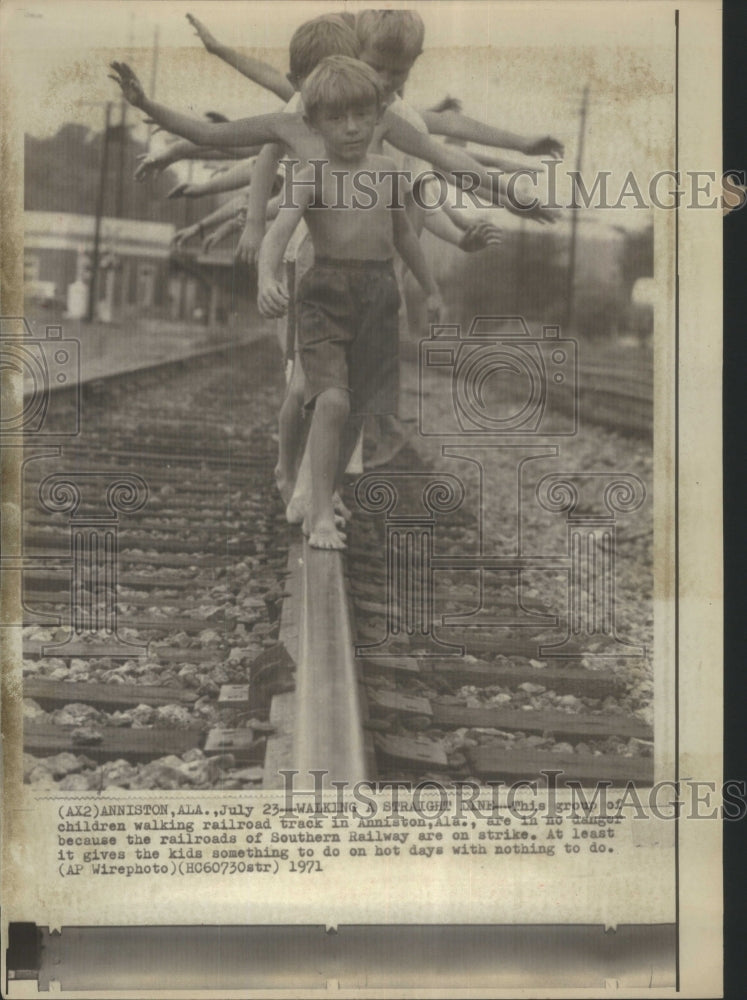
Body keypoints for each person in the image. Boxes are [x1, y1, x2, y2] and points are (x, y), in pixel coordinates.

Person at [257, 56, 444, 550]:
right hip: (325, 294)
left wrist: (430, 288)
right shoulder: (309, 173)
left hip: (378, 296)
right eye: (337, 118)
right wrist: (265, 277)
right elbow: (279, 234)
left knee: (359, 410)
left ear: (380, 112)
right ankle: (319, 517)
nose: (352, 127)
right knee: (333, 401)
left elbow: (405, 237)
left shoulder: (386, 172)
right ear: (314, 123)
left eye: (362, 114)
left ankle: (324, 493)